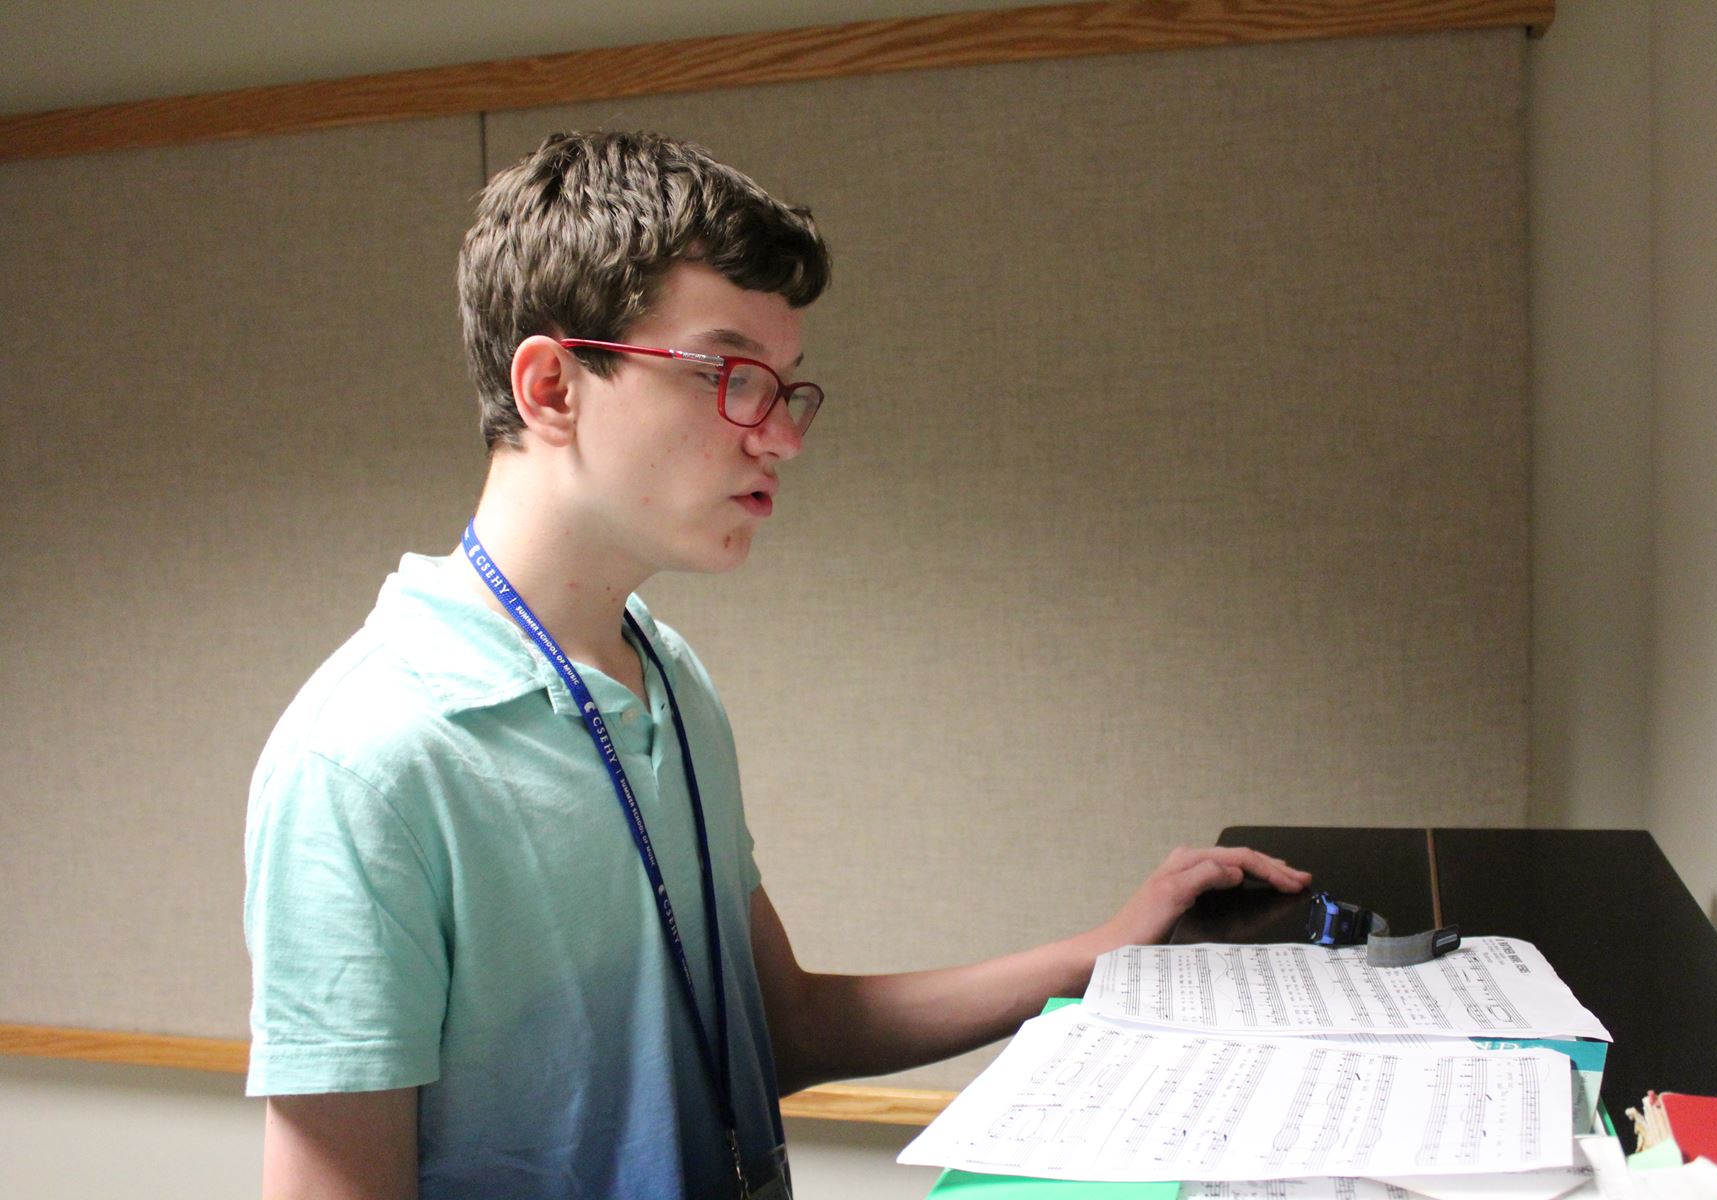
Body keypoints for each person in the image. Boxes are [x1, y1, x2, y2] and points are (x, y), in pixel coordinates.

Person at [244, 129, 1311, 1200]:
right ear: (553, 386)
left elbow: (776, 1025)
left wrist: (1105, 952)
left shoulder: (667, 676)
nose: (781, 438)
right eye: (728, 375)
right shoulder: (368, 763)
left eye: (786, 388)